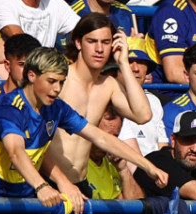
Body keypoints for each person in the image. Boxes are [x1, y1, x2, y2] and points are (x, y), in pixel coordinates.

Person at [0, 47, 168, 214]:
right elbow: (16, 151)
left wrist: (147, 166)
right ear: (32, 75)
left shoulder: (56, 108)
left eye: (62, 82)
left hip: (25, 196)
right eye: (52, 81)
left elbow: (100, 137)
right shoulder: (9, 107)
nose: (57, 89)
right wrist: (42, 186)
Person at [52, 14, 154, 189]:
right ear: (78, 43)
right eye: (92, 41)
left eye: (106, 42)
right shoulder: (61, 79)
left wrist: (123, 63)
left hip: (80, 183)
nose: (99, 49)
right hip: (50, 180)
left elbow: (143, 115)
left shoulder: (108, 85)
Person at [117, 35, 168, 156]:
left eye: (141, 62)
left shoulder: (154, 101)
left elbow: (162, 145)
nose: (135, 68)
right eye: (129, 61)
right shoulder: (111, 97)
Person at [0, 0, 78, 44]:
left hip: (47, 69)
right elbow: (22, 42)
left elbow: (86, 30)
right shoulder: (2, 2)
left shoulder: (56, 3)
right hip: (18, 69)